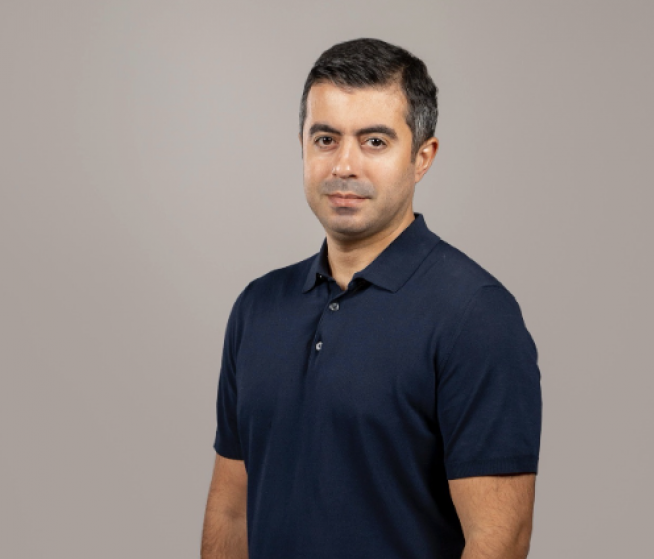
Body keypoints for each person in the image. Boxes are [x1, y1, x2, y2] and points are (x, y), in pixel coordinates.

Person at [201, 38, 542, 559]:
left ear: (422, 157)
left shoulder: (476, 315)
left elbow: (499, 538)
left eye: (375, 142)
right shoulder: (257, 308)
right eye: (325, 139)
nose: (344, 165)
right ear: (302, 147)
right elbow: (230, 511)